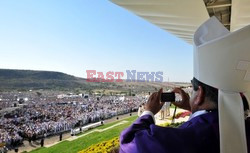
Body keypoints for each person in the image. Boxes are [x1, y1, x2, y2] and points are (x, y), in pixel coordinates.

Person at [119, 17, 250, 153]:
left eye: (193, 90)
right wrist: (193, 109)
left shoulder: (190, 137)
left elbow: (129, 142)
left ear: (199, 94)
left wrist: (148, 112)